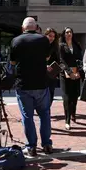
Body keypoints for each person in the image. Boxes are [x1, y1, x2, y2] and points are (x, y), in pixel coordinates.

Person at [10, 17, 53, 157]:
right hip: (41, 83)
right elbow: (47, 58)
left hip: (24, 84)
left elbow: (12, 62)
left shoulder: (16, 41)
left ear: (23, 28)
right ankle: (47, 144)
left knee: (27, 117)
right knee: (44, 115)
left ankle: (31, 146)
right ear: (35, 27)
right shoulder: (43, 40)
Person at [59, 27, 83, 130]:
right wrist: (69, 72)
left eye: (70, 32)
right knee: (66, 98)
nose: (69, 34)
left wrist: (79, 72)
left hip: (76, 73)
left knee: (75, 96)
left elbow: (80, 59)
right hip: (65, 75)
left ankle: (73, 113)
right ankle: (67, 120)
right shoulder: (61, 46)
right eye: (67, 32)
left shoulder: (76, 45)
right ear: (64, 34)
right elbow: (61, 60)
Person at [44, 27, 60, 107]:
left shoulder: (55, 47)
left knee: (51, 93)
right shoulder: (41, 46)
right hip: (42, 74)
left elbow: (59, 60)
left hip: (52, 74)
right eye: (50, 36)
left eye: (53, 36)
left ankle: (47, 110)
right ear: (46, 35)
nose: (52, 38)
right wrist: (44, 65)